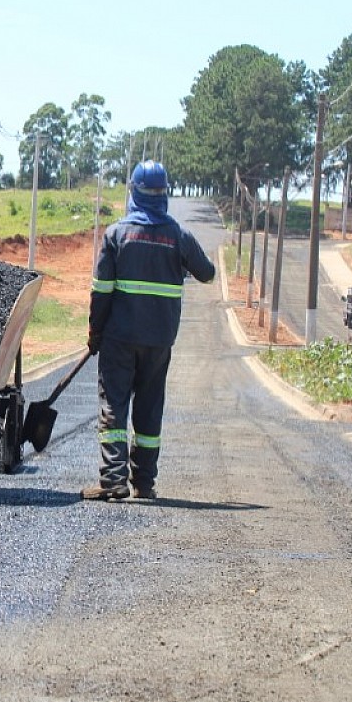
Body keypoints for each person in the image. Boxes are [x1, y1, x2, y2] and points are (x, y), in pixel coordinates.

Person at [81, 160, 216, 501]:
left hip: (119, 339)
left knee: (114, 404)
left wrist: (95, 332)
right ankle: (144, 482)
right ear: (164, 194)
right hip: (159, 341)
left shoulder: (117, 234)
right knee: (149, 408)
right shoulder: (177, 236)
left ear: (133, 193)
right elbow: (208, 273)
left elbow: (102, 291)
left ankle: (112, 481)